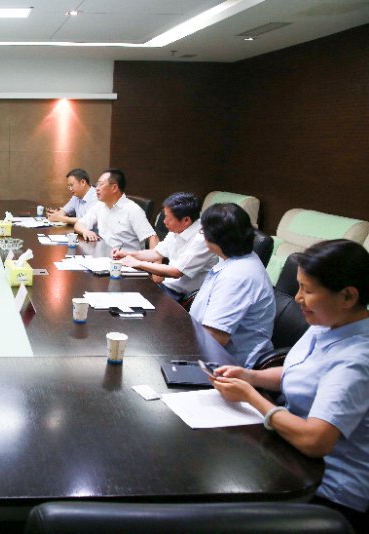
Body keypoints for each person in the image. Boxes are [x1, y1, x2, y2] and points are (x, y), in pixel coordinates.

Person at [211, 239, 369, 530]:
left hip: (327, 489)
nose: (297, 298)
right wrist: (250, 376)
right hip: (290, 454)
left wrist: (252, 397)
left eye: (307, 290)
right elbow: (299, 372)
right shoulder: (327, 322)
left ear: (347, 296)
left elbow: (315, 441)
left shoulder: (356, 360)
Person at [190, 203, 274, 367]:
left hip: (227, 366)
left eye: (203, 231)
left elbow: (214, 338)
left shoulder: (237, 276)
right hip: (204, 350)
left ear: (214, 237)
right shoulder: (236, 259)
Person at [113, 192, 218, 300]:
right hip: (167, 286)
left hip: (183, 296)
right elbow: (156, 253)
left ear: (186, 220)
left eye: (168, 218)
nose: (164, 221)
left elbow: (176, 271)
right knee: (120, 290)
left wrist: (138, 263)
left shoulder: (202, 238)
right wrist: (128, 254)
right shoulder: (178, 228)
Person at [74, 169, 158, 251]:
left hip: (126, 257)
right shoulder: (100, 205)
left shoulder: (133, 209)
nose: (97, 188)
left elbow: (152, 237)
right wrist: (85, 231)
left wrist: (154, 259)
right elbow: (79, 224)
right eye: (97, 184)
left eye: (101, 184)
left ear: (114, 188)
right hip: (103, 254)